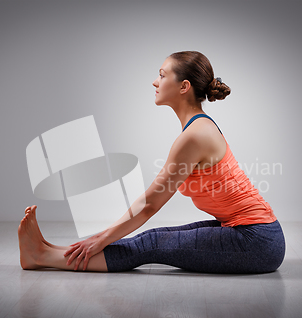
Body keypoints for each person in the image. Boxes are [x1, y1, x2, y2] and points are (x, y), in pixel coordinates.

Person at [18, 51, 285, 273]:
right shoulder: (198, 129)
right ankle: (48, 251)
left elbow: (149, 205)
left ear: (184, 86)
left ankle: (42, 258)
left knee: (151, 242)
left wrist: (102, 237)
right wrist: (103, 237)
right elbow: (148, 204)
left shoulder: (194, 136)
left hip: (257, 242)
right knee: (147, 239)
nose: (155, 82)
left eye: (161, 75)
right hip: (254, 234)